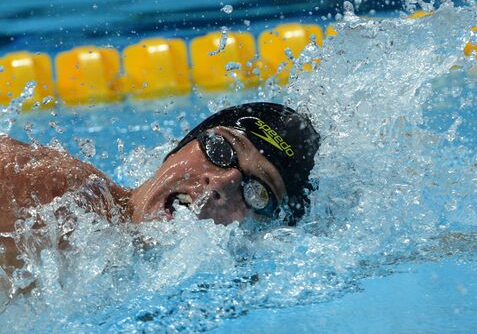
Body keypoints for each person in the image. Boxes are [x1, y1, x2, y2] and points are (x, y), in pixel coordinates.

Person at [0, 102, 320, 269]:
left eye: (257, 192)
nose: (222, 181)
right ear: (181, 146)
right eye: (220, 150)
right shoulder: (54, 196)